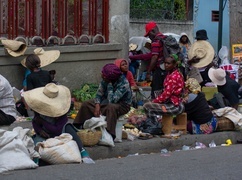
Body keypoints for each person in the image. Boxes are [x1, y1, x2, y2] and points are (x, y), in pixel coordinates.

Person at [24, 83, 94, 164]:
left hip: (60, 132)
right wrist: (39, 131)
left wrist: (43, 121)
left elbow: (57, 130)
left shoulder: (61, 112)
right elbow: (35, 122)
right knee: (35, 141)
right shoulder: (39, 109)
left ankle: (83, 152)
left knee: (69, 127)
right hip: (45, 134)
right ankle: (36, 159)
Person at [73, 63, 132, 139]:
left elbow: (113, 100)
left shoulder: (124, 83)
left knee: (111, 107)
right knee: (86, 104)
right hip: (106, 101)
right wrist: (97, 104)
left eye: (104, 75)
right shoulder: (105, 80)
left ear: (110, 78)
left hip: (122, 105)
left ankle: (109, 134)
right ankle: (79, 126)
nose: (102, 75)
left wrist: (110, 86)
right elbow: (99, 93)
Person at [143, 54, 184, 137]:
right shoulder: (170, 73)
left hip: (175, 106)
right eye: (165, 63)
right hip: (171, 103)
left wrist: (154, 101)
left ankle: (154, 128)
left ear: (174, 65)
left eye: (168, 63)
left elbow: (166, 95)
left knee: (147, 106)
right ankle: (154, 127)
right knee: (149, 106)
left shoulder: (174, 76)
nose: (166, 65)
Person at [143, 21, 167, 99]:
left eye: (149, 34)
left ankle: (156, 107)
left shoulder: (156, 41)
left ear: (153, 31)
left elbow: (154, 57)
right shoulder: (165, 38)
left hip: (160, 71)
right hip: (167, 70)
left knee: (157, 91)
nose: (149, 37)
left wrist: (148, 72)